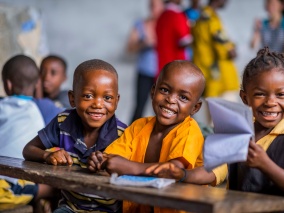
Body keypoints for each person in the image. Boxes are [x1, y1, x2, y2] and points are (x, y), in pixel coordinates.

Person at [146, 48, 284, 213]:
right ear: (245, 98)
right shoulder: (238, 135)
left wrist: (264, 163)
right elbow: (212, 172)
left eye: (280, 95)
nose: (270, 102)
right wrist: (183, 174)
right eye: (260, 94)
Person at [87, 60, 220, 213]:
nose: (170, 99)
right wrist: (100, 161)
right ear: (153, 91)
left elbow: (172, 171)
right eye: (164, 90)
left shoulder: (189, 131)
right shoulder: (139, 126)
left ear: (195, 108)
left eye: (183, 97)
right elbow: (113, 158)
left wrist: (130, 168)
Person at [23, 59, 127, 213]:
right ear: (72, 98)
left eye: (107, 98)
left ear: (116, 101)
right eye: (88, 96)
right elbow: (29, 149)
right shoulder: (63, 122)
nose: (98, 104)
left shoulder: (122, 133)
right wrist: (47, 156)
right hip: (71, 208)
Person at [0, 55, 60, 213]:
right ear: (37, 84)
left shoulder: (2, 106)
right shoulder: (44, 109)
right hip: (23, 176)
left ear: (8, 84)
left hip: (12, 183)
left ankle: (46, 191)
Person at [192, 0, 239, 101]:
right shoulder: (210, 18)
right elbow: (225, 48)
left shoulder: (201, 16)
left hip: (208, 77)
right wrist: (231, 49)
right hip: (219, 79)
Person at [128, 0, 164, 123]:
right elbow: (129, 48)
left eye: (156, 5)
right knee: (139, 107)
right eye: (151, 5)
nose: (153, 8)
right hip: (145, 71)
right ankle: (130, 137)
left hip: (163, 73)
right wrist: (144, 43)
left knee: (164, 108)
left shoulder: (169, 23)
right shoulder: (141, 24)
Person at [156, 0, 192, 78]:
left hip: (162, 68)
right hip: (177, 69)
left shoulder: (161, 16)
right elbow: (185, 40)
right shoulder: (177, 16)